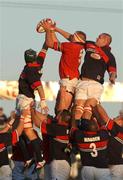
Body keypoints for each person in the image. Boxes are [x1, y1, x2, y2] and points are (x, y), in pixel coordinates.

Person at [41, 20, 86, 114]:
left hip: (68, 80)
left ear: (76, 39)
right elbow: (64, 39)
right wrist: (54, 29)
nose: (70, 37)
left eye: (73, 36)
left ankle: (62, 128)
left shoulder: (71, 46)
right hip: (72, 78)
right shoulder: (79, 46)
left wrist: (48, 30)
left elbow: (50, 43)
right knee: (58, 110)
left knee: (62, 111)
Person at [72, 33, 117, 127]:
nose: (97, 38)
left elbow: (113, 71)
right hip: (82, 82)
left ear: (106, 41)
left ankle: (85, 132)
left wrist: (112, 77)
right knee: (78, 108)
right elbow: (74, 38)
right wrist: (55, 29)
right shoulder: (89, 44)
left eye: (100, 37)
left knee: (88, 108)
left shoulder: (109, 55)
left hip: (95, 84)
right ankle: (75, 133)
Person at [15, 42, 48, 169]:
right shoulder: (37, 63)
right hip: (22, 99)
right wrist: (47, 34)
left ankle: (41, 158)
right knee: (19, 131)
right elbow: (44, 50)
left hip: (26, 100)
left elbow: (39, 86)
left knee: (27, 130)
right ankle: (28, 158)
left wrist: (43, 101)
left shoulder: (30, 70)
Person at [31, 107, 72, 180]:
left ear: (60, 118)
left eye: (58, 114)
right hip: (66, 162)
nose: (56, 115)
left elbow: (37, 123)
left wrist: (31, 109)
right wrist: (33, 109)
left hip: (58, 162)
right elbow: (44, 118)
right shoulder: (69, 127)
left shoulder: (57, 128)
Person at [72, 115, 111, 180]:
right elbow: (102, 124)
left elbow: (73, 127)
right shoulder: (103, 136)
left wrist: (74, 113)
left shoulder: (80, 137)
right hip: (102, 168)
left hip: (87, 168)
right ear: (97, 128)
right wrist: (95, 112)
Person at [95, 104, 123, 180]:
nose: (113, 118)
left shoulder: (119, 131)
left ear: (121, 122)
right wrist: (95, 108)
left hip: (116, 166)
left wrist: (96, 102)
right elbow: (100, 119)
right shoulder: (113, 130)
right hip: (106, 165)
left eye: (116, 117)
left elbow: (104, 117)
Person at [0, 114, 24, 180]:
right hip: (3, 170)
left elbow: (2, 132)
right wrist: (23, 118)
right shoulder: (1, 138)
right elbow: (18, 133)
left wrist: (10, 123)